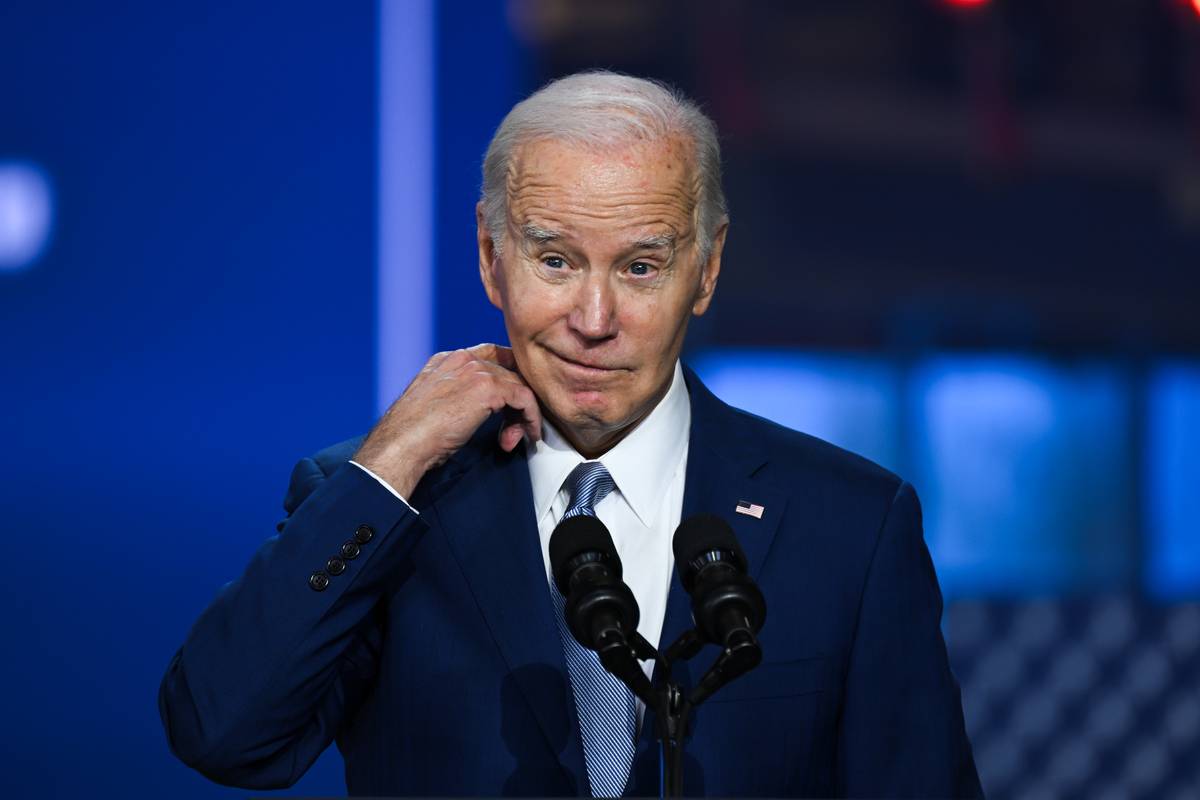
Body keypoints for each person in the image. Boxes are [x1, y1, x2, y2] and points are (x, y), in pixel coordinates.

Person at [159, 71, 982, 798]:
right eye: (555, 261)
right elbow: (224, 733)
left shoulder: (850, 526)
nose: (594, 321)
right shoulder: (386, 504)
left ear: (708, 266)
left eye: (639, 268)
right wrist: (393, 458)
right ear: (490, 256)